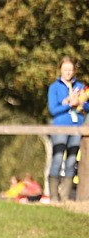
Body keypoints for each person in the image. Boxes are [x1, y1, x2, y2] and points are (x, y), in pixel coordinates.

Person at [47, 56, 87, 202]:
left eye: (70, 70)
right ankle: (53, 197)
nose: (68, 73)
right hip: (60, 128)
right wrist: (68, 103)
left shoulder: (81, 87)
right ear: (60, 70)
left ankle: (65, 197)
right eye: (65, 70)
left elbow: (87, 106)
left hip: (76, 128)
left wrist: (80, 102)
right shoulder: (54, 87)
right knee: (57, 159)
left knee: (71, 162)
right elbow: (53, 109)